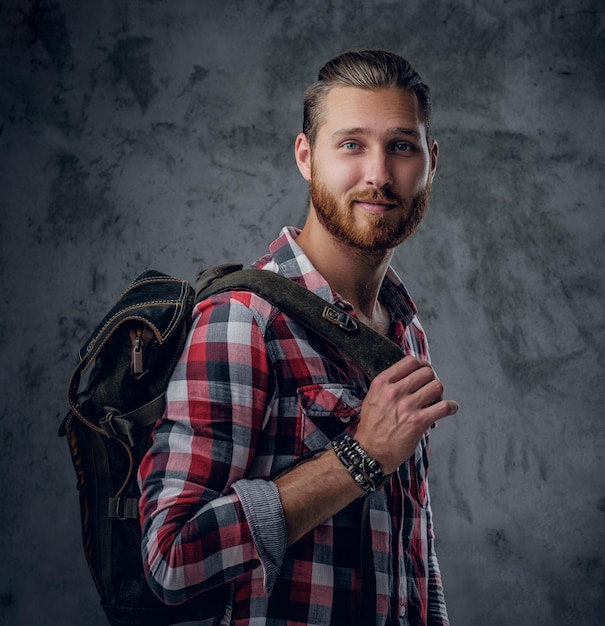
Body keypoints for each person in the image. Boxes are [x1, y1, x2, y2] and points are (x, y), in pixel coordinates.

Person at [138, 49, 459, 626]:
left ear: (431, 162)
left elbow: (412, 544)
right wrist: (359, 458)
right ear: (306, 157)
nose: (379, 175)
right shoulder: (244, 320)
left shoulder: (405, 330)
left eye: (402, 146)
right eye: (352, 144)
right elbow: (171, 560)